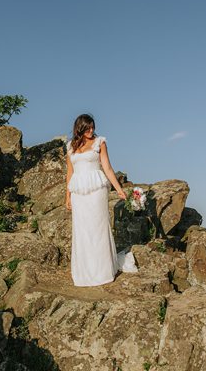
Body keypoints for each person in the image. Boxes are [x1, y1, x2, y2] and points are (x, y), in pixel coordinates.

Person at [65, 114, 135, 287]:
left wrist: (119, 189)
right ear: (79, 128)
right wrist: (67, 196)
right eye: (88, 128)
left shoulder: (100, 142)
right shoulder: (70, 147)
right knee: (82, 230)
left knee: (98, 228)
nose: (91, 130)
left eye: (93, 127)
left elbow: (108, 168)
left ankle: (102, 271)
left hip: (96, 189)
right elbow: (69, 173)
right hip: (78, 192)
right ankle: (85, 272)